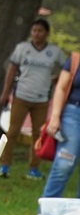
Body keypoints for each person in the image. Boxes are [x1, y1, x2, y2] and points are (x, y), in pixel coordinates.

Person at [0, 19, 66, 179]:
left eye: (40, 31)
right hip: (21, 96)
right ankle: (4, 166)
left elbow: (67, 69)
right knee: (12, 131)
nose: (36, 34)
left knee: (38, 134)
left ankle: (33, 168)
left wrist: (57, 80)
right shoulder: (22, 48)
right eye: (34, 30)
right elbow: (12, 69)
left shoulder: (54, 51)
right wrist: (6, 92)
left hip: (41, 99)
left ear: (47, 33)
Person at [39, 50, 80, 199]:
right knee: (64, 164)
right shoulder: (76, 59)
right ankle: (46, 211)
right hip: (73, 113)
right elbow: (61, 88)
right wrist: (55, 116)